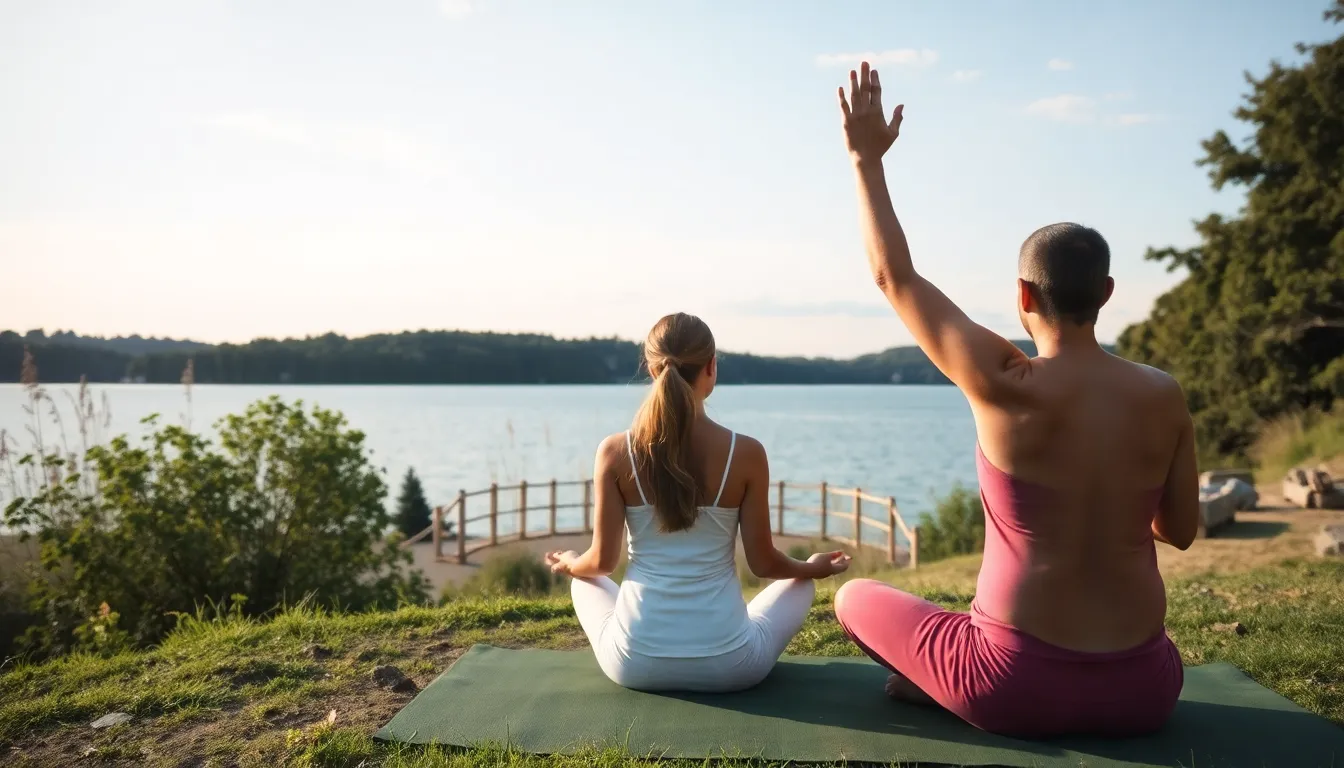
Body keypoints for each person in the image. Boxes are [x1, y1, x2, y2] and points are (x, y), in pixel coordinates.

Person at [830, 62, 1197, 737]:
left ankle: (939, 686)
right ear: (1108, 294)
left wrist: (865, 159)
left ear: (1023, 297)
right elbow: (1177, 530)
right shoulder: (1163, 396)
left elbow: (893, 276)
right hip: (1145, 690)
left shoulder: (1004, 382)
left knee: (855, 596)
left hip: (1012, 687)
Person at [545, 312, 851, 692]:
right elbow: (764, 563)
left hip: (634, 663)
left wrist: (572, 563)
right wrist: (813, 568)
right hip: (732, 667)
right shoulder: (747, 453)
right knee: (799, 583)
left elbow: (602, 563)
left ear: (652, 369)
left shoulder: (614, 452)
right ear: (711, 368)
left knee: (584, 582)